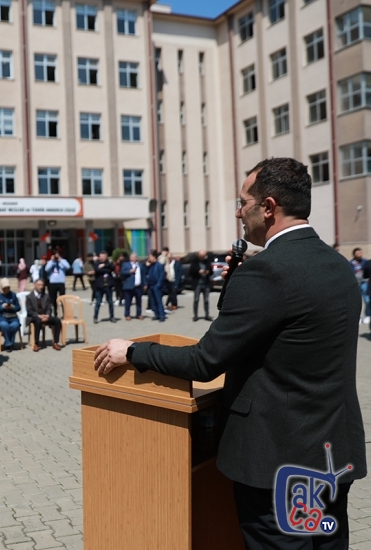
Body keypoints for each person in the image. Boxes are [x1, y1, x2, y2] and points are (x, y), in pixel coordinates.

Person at [94, 157, 367, 549]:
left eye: (243, 202)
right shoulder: (338, 265)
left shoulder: (268, 272)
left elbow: (205, 361)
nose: (239, 212)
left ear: (268, 207)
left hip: (278, 463)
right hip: (331, 456)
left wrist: (133, 351)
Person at [25, 279, 62, 352]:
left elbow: (49, 307)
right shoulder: (29, 297)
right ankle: (36, 343)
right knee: (38, 321)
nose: (41, 287)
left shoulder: (46, 296)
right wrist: (39, 316)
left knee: (57, 320)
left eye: (42, 285)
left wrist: (47, 315)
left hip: (45, 316)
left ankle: (55, 342)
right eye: (39, 285)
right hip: (34, 317)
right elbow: (29, 310)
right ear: (35, 285)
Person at [0, 278, 21, 352]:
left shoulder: (13, 295)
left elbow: (18, 307)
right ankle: (9, 344)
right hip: (1, 316)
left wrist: (13, 307)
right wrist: (2, 307)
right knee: (4, 325)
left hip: (12, 316)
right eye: (5, 288)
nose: (6, 289)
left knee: (15, 325)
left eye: (8, 288)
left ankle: (8, 343)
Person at [92, 251, 115, 323]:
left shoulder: (109, 262)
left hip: (108, 285)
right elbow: (97, 270)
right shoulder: (96, 263)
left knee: (110, 302)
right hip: (99, 286)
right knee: (98, 302)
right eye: (100, 256)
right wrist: (106, 269)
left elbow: (112, 267)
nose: (101, 258)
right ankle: (95, 317)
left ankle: (112, 317)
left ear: (106, 257)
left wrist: (104, 266)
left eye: (103, 257)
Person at [190, 250, 213, 321]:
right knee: (196, 300)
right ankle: (195, 316)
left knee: (206, 300)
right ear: (200, 256)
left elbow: (211, 271)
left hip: (206, 284)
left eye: (205, 255)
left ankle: (207, 315)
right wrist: (198, 272)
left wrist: (208, 272)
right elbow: (190, 272)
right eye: (203, 256)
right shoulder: (194, 262)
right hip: (198, 284)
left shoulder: (207, 262)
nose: (205, 257)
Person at [120, 253, 144, 320]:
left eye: (135, 257)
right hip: (129, 286)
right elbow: (122, 272)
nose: (134, 258)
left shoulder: (140, 265)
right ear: (130, 258)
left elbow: (143, 275)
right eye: (133, 257)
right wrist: (129, 271)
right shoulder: (126, 264)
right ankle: (127, 314)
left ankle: (139, 314)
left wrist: (145, 284)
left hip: (138, 286)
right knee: (128, 302)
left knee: (139, 301)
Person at [144, 251, 166, 322]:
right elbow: (145, 274)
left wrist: (158, 285)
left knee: (158, 301)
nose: (149, 258)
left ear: (154, 257)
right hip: (150, 285)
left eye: (150, 257)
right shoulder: (150, 265)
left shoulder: (159, 265)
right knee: (153, 301)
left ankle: (162, 315)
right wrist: (147, 266)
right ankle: (156, 314)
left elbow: (162, 276)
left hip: (156, 285)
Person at [350, 248, 370, 324]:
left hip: (364, 283)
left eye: (360, 253)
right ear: (354, 254)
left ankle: (368, 315)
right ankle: (358, 317)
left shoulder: (365, 261)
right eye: (358, 253)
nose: (359, 254)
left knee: (367, 300)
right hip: (355, 284)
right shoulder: (351, 263)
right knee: (356, 302)